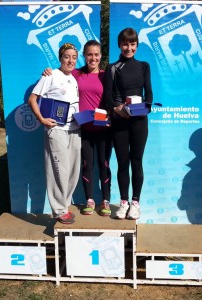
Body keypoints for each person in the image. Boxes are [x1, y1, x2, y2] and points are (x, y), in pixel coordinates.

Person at [43, 40, 112, 217]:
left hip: (104, 129)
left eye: (96, 54)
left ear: (101, 56)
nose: (93, 58)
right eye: (89, 54)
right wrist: (47, 72)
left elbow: (114, 99)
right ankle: (89, 200)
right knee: (86, 166)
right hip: (84, 129)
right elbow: (59, 74)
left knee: (104, 165)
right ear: (85, 56)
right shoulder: (76, 73)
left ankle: (105, 201)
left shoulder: (107, 75)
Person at [28, 43, 81, 224]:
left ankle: (64, 206)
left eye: (74, 57)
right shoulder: (51, 76)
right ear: (60, 58)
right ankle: (59, 210)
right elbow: (32, 100)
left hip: (74, 130)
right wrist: (42, 120)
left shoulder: (73, 78)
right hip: (56, 130)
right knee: (59, 170)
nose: (71, 60)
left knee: (73, 171)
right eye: (67, 56)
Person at [103, 28, 153, 220]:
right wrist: (117, 109)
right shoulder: (112, 67)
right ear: (119, 45)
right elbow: (108, 96)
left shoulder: (144, 66)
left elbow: (148, 93)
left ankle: (135, 203)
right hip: (120, 121)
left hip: (139, 121)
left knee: (136, 161)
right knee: (122, 163)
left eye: (132, 44)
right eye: (125, 44)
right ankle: (123, 202)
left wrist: (144, 108)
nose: (129, 48)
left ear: (137, 45)